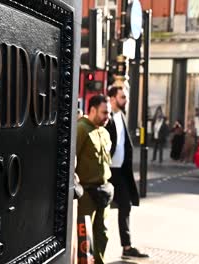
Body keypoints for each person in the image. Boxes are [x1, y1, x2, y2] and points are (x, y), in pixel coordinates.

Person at [105, 87, 149, 260]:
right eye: (123, 97)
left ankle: (127, 246)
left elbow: (124, 144)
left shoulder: (121, 116)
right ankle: (90, 247)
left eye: (126, 97)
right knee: (100, 209)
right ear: (112, 98)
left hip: (121, 172)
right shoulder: (106, 117)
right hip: (107, 172)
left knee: (125, 206)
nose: (126, 100)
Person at [75, 94, 113, 264]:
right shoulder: (81, 128)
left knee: (102, 233)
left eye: (109, 113)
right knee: (85, 236)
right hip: (87, 194)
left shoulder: (104, 132)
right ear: (92, 110)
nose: (108, 117)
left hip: (103, 192)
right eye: (104, 113)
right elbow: (71, 160)